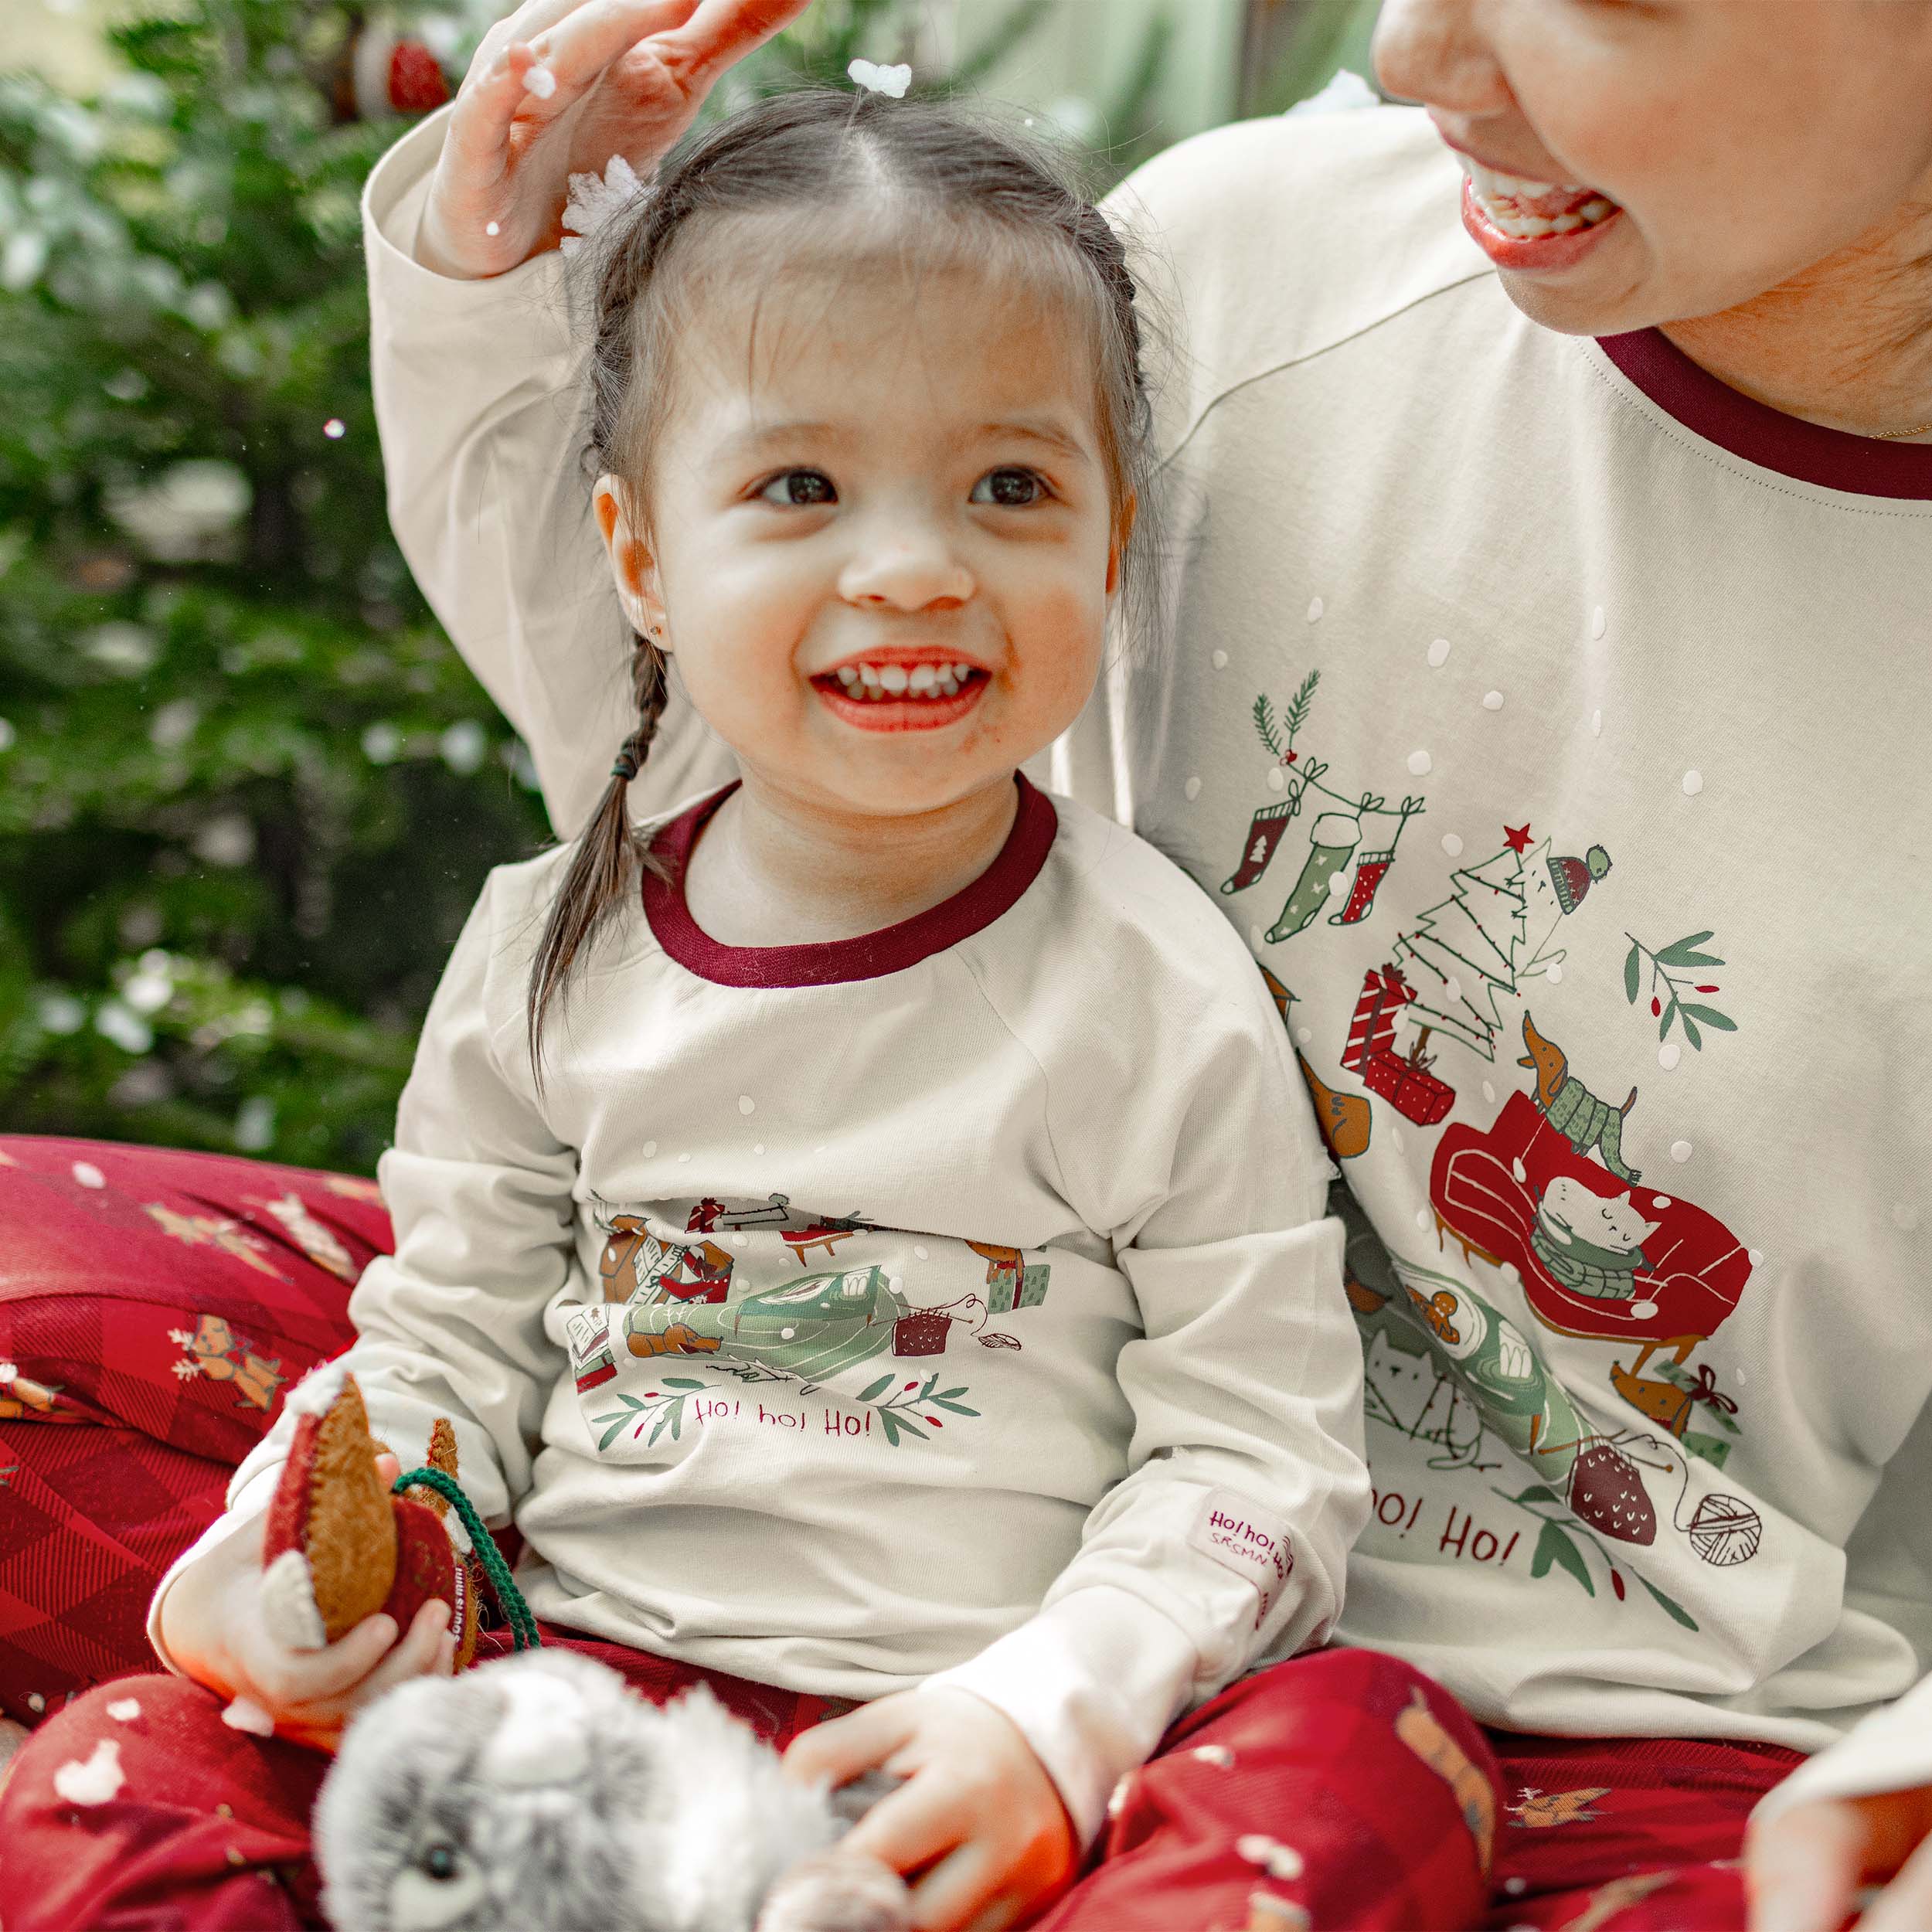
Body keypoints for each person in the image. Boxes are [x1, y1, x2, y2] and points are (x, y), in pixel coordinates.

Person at [253, 2, 1932, 1930]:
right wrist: (497, 303)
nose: (1408, 56)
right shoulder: (1246, 264)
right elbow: (781, 836)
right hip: (899, 1536)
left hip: (1615, 1727)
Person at [0, 68, 1512, 1932]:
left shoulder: (1161, 986)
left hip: (956, 1775)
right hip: (564, 1732)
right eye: (797, 484)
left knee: (1372, 1743)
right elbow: (443, 1345)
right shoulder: (554, 943)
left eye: (1011, 484)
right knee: (120, 1762)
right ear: (642, 554)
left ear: (1112, 541)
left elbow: (1256, 1449)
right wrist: (282, 1579)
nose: (910, 566)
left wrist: (1043, 1717)